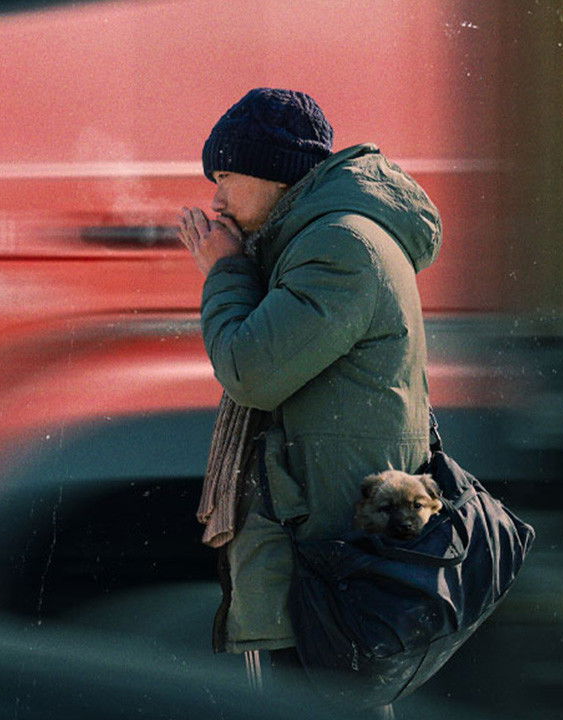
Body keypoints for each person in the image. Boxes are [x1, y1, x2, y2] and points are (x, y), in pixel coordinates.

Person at [178, 88, 442, 719]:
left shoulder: (338, 247)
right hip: (326, 553)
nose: (216, 199)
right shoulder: (320, 238)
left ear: (276, 174)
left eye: (227, 177)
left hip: (326, 562)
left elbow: (251, 372)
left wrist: (225, 272)